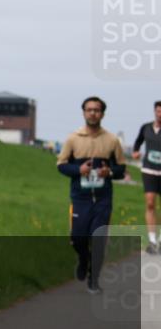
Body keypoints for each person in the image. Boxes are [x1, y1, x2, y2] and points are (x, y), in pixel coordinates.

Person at [56, 96, 127, 294]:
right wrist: (79, 169)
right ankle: (83, 259)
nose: (93, 113)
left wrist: (109, 172)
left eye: (97, 110)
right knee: (78, 238)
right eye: (89, 110)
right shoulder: (73, 138)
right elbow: (61, 165)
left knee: (98, 239)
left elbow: (121, 168)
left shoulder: (112, 140)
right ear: (84, 113)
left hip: (103, 199)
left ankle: (93, 280)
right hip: (80, 198)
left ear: (102, 114)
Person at [132, 100, 161, 254]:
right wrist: (136, 151)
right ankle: (152, 240)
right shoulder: (146, 128)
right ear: (155, 112)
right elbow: (137, 143)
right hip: (149, 170)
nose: (160, 114)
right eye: (158, 111)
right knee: (150, 203)